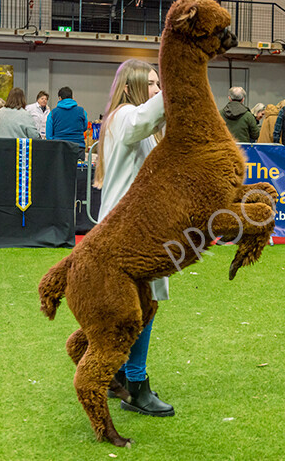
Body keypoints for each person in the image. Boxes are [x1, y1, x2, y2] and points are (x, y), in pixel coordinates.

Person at [93, 59, 173, 417]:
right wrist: (177, 87)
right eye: (153, 84)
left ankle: (119, 376)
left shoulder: (119, 118)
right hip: (133, 231)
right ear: (131, 88)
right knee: (145, 304)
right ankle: (137, 387)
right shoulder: (127, 116)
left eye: (159, 84)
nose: (157, 90)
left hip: (126, 226)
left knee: (132, 306)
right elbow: (141, 121)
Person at [47, 87, 88, 160]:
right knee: (78, 171)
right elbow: (85, 127)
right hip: (78, 148)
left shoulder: (53, 113)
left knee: (59, 171)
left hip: (59, 148)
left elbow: (49, 135)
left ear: (59, 98)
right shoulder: (82, 111)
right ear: (72, 97)